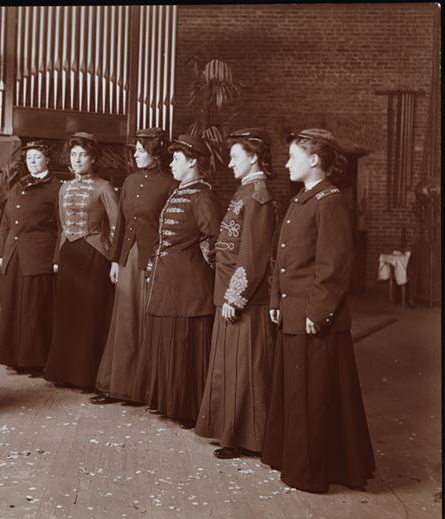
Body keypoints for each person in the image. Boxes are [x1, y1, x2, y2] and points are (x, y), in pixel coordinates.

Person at [261, 128, 376, 492]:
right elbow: (282, 258)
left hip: (313, 316)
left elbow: (334, 264)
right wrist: (276, 300)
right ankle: (293, 461)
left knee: (314, 397)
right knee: (297, 394)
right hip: (293, 311)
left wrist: (318, 311)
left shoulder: (329, 200)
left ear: (314, 160)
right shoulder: (302, 199)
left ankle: (311, 473)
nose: (286, 164)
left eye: (293, 157)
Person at [195, 128, 277, 458]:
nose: (229, 163)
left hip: (243, 299)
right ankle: (229, 432)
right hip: (227, 289)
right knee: (230, 368)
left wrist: (235, 297)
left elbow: (254, 254)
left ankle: (248, 438)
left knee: (245, 370)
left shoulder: (258, 195)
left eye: (234, 157)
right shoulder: (245, 191)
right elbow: (232, 242)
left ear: (254, 156)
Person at [136, 134, 221, 429]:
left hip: (188, 286)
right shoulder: (181, 190)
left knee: (185, 344)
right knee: (168, 339)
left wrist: (203, 269)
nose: (171, 163)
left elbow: (213, 237)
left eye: (177, 159)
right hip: (169, 281)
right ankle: (169, 402)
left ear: (193, 161)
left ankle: (188, 408)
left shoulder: (201, 194)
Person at [91, 128, 177, 406]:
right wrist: (116, 260)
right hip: (128, 259)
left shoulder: (170, 184)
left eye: (141, 150)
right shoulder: (130, 180)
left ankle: (142, 390)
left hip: (153, 261)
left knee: (144, 321)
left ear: (155, 153)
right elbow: (121, 226)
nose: (136, 155)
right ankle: (117, 385)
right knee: (124, 321)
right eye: (136, 150)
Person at [43, 132, 119, 391]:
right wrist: (57, 258)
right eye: (73, 155)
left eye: (82, 155)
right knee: (67, 314)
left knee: (90, 315)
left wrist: (114, 260)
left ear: (93, 158)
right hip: (69, 255)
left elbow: (116, 226)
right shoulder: (64, 188)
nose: (76, 160)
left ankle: (87, 376)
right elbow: (61, 227)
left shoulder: (104, 187)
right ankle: (64, 373)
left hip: (93, 255)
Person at [0, 140, 61, 377]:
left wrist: (56, 258)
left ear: (47, 160)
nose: (32, 161)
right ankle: (13, 358)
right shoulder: (19, 185)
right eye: (29, 158)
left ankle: (35, 361)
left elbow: (61, 227)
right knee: (13, 306)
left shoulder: (56, 188)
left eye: (37, 157)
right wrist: (0, 252)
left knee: (34, 309)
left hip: (39, 255)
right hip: (15, 254)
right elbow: (6, 221)